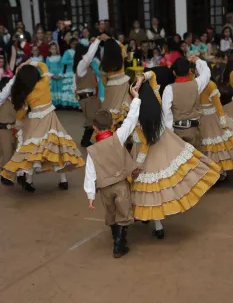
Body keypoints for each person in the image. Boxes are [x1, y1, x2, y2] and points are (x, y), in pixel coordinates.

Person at [130, 70, 220, 236]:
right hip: (162, 153)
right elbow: (154, 76)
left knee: (147, 190)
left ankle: (155, 224)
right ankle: (158, 227)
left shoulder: (136, 116)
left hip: (145, 156)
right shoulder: (156, 103)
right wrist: (143, 77)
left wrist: (138, 163)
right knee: (160, 188)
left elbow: (144, 145)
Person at [1, 61, 84, 191]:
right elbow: (44, 66)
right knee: (57, 148)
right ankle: (63, 180)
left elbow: (21, 112)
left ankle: (29, 181)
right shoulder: (44, 83)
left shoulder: (25, 92)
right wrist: (30, 62)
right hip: (50, 119)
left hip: (34, 122)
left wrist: (18, 123)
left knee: (33, 151)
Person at [84, 89, 141, 258]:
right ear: (111, 125)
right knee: (124, 212)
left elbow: (90, 173)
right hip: (120, 184)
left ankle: (115, 235)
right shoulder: (118, 137)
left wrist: (90, 194)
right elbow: (130, 121)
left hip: (104, 188)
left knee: (111, 213)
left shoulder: (92, 150)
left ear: (94, 128)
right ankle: (119, 244)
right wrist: (136, 100)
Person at [162, 56, 211, 147]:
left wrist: (170, 133)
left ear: (174, 72)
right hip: (194, 130)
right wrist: (197, 60)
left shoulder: (169, 89)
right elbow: (206, 73)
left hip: (177, 131)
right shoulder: (196, 84)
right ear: (189, 71)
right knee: (197, 159)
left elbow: (166, 113)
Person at [199, 80, 233, 180]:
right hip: (204, 118)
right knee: (215, 146)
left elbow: (218, 105)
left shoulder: (207, 84)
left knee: (216, 146)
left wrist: (222, 119)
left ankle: (218, 171)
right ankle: (217, 172)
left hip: (210, 118)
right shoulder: (198, 83)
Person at [74, 37, 103, 147]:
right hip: (87, 98)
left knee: (93, 120)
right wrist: (97, 41)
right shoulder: (82, 64)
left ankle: (85, 140)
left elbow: (75, 83)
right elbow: (89, 55)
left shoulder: (85, 67)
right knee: (93, 119)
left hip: (90, 97)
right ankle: (86, 141)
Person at [101, 37, 131, 127]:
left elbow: (104, 81)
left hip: (111, 85)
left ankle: (109, 133)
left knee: (110, 109)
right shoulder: (121, 54)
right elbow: (123, 47)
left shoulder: (104, 62)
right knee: (122, 109)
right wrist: (112, 39)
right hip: (123, 82)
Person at [0, 77, 16, 173]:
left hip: (15, 130)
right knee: (6, 154)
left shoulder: (15, 100)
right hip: (3, 130)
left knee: (13, 153)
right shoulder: (1, 100)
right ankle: (5, 175)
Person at [61, 37, 79, 108]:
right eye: (73, 44)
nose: (75, 45)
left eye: (76, 44)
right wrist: (72, 61)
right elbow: (63, 61)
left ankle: (75, 103)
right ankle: (69, 104)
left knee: (75, 88)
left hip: (76, 72)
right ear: (70, 44)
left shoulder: (78, 51)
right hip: (69, 72)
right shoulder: (68, 52)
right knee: (69, 88)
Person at [46, 42, 63, 107]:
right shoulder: (48, 58)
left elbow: (62, 67)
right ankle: (53, 104)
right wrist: (52, 75)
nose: (54, 50)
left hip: (59, 75)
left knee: (59, 88)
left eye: (55, 49)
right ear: (49, 50)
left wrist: (59, 75)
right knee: (52, 89)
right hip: (52, 76)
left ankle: (59, 103)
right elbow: (47, 68)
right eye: (52, 49)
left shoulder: (60, 57)